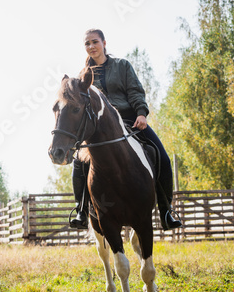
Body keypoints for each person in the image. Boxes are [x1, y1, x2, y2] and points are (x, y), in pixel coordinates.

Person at [70, 28, 182, 231]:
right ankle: (81, 211)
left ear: (104, 43)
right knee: (79, 163)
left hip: (130, 121)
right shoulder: (82, 76)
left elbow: (135, 91)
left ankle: (166, 211)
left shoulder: (122, 66)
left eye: (95, 42)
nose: (91, 46)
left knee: (161, 157)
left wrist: (141, 113)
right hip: (99, 129)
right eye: (87, 43)